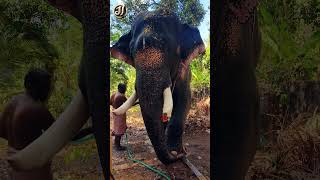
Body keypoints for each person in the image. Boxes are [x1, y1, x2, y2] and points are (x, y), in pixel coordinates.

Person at [0, 68, 55, 180]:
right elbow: (60, 132)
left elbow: (1, 131)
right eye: (48, 87)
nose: (50, 90)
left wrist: (19, 142)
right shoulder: (37, 109)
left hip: (14, 163)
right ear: (41, 88)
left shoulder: (13, 101)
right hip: (32, 169)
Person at [110, 83, 128, 151]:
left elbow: (110, 103)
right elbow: (128, 103)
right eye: (124, 88)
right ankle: (117, 146)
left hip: (115, 113)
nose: (125, 89)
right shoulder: (121, 96)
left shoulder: (114, 94)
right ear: (120, 89)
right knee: (119, 131)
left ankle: (116, 144)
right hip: (119, 114)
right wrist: (138, 102)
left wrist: (116, 108)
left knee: (117, 128)